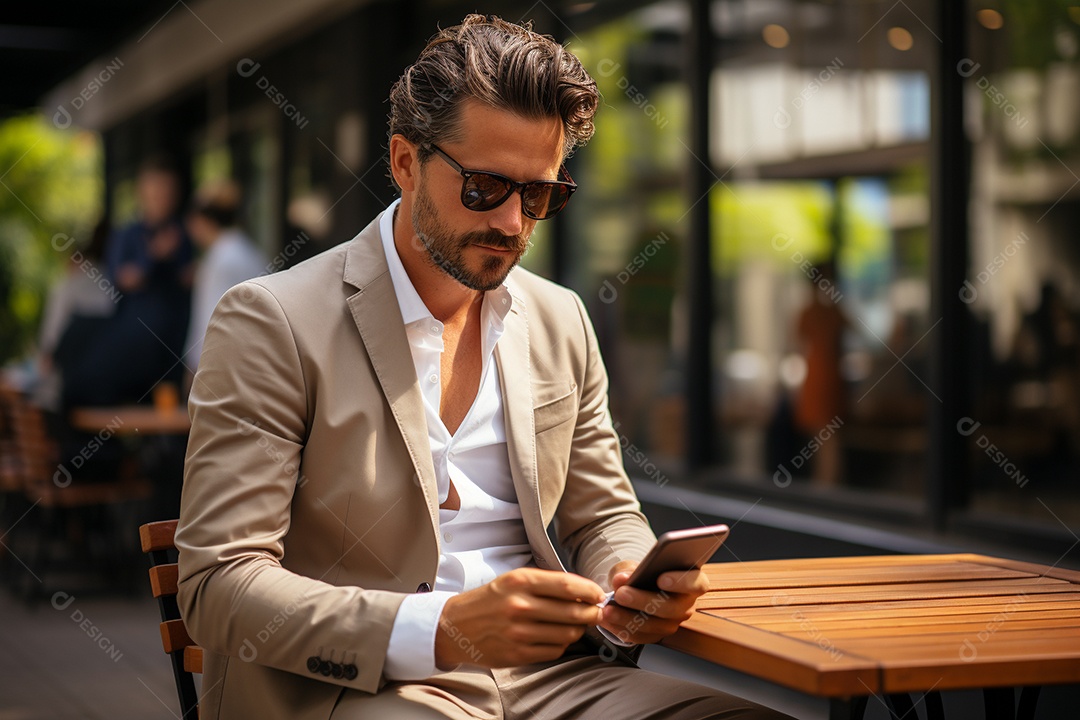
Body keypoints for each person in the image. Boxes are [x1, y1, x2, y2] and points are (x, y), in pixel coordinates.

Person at [176, 15, 789, 720]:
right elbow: (217, 585)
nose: (511, 223)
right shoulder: (271, 322)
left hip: (555, 679)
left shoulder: (560, 320)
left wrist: (628, 574)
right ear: (405, 163)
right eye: (485, 188)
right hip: (360, 687)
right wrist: (441, 631)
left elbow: (605, 516)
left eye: (540, 196)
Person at [103, 156, 194, 402]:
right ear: (142, 192)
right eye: (156, 190)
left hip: (176, 340)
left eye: (167, 191)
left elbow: (190, 278)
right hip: (136, 341)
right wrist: (153, 256)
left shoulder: (183, 232)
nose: (162, 197)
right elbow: (123, 278)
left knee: (174, 406)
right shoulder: (128, 234)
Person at [182, 180, 267, 372]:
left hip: (225, 365)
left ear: (202, 221)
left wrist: (197, 366)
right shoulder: (246, 251)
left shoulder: (220, 260)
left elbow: (211, 318)